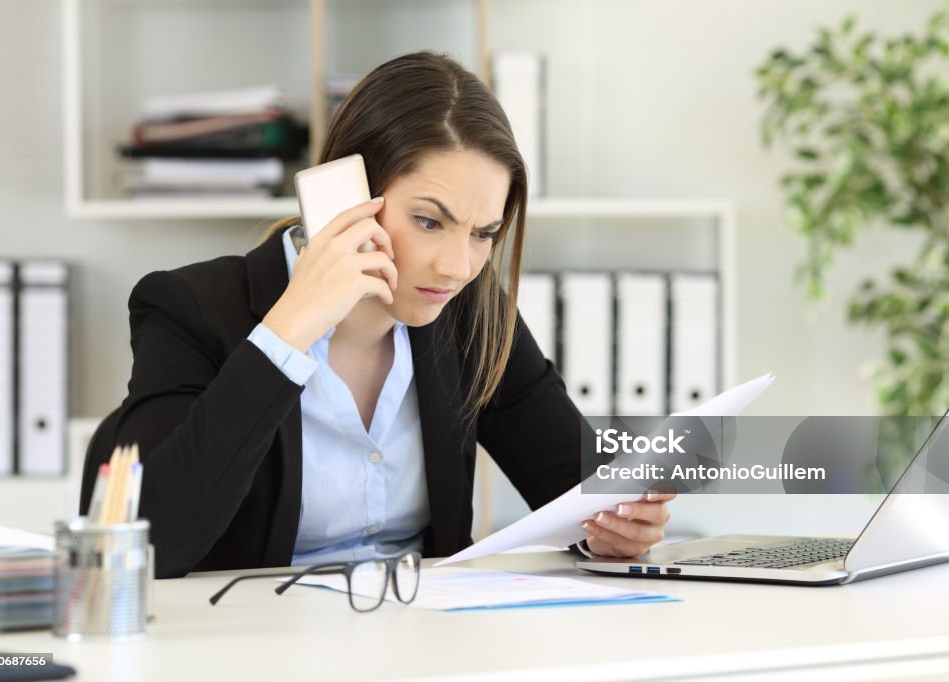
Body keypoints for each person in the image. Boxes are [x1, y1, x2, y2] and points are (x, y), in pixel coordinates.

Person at [98, 51, 674, 579]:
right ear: (345, 196)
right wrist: (290, 329)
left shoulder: (470, 316)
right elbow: (149, 547)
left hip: (425, 642)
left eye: (483, 234)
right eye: (429, 221)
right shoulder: (191, 308)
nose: (457, 267)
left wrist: (616, 529)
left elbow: (580, 489)